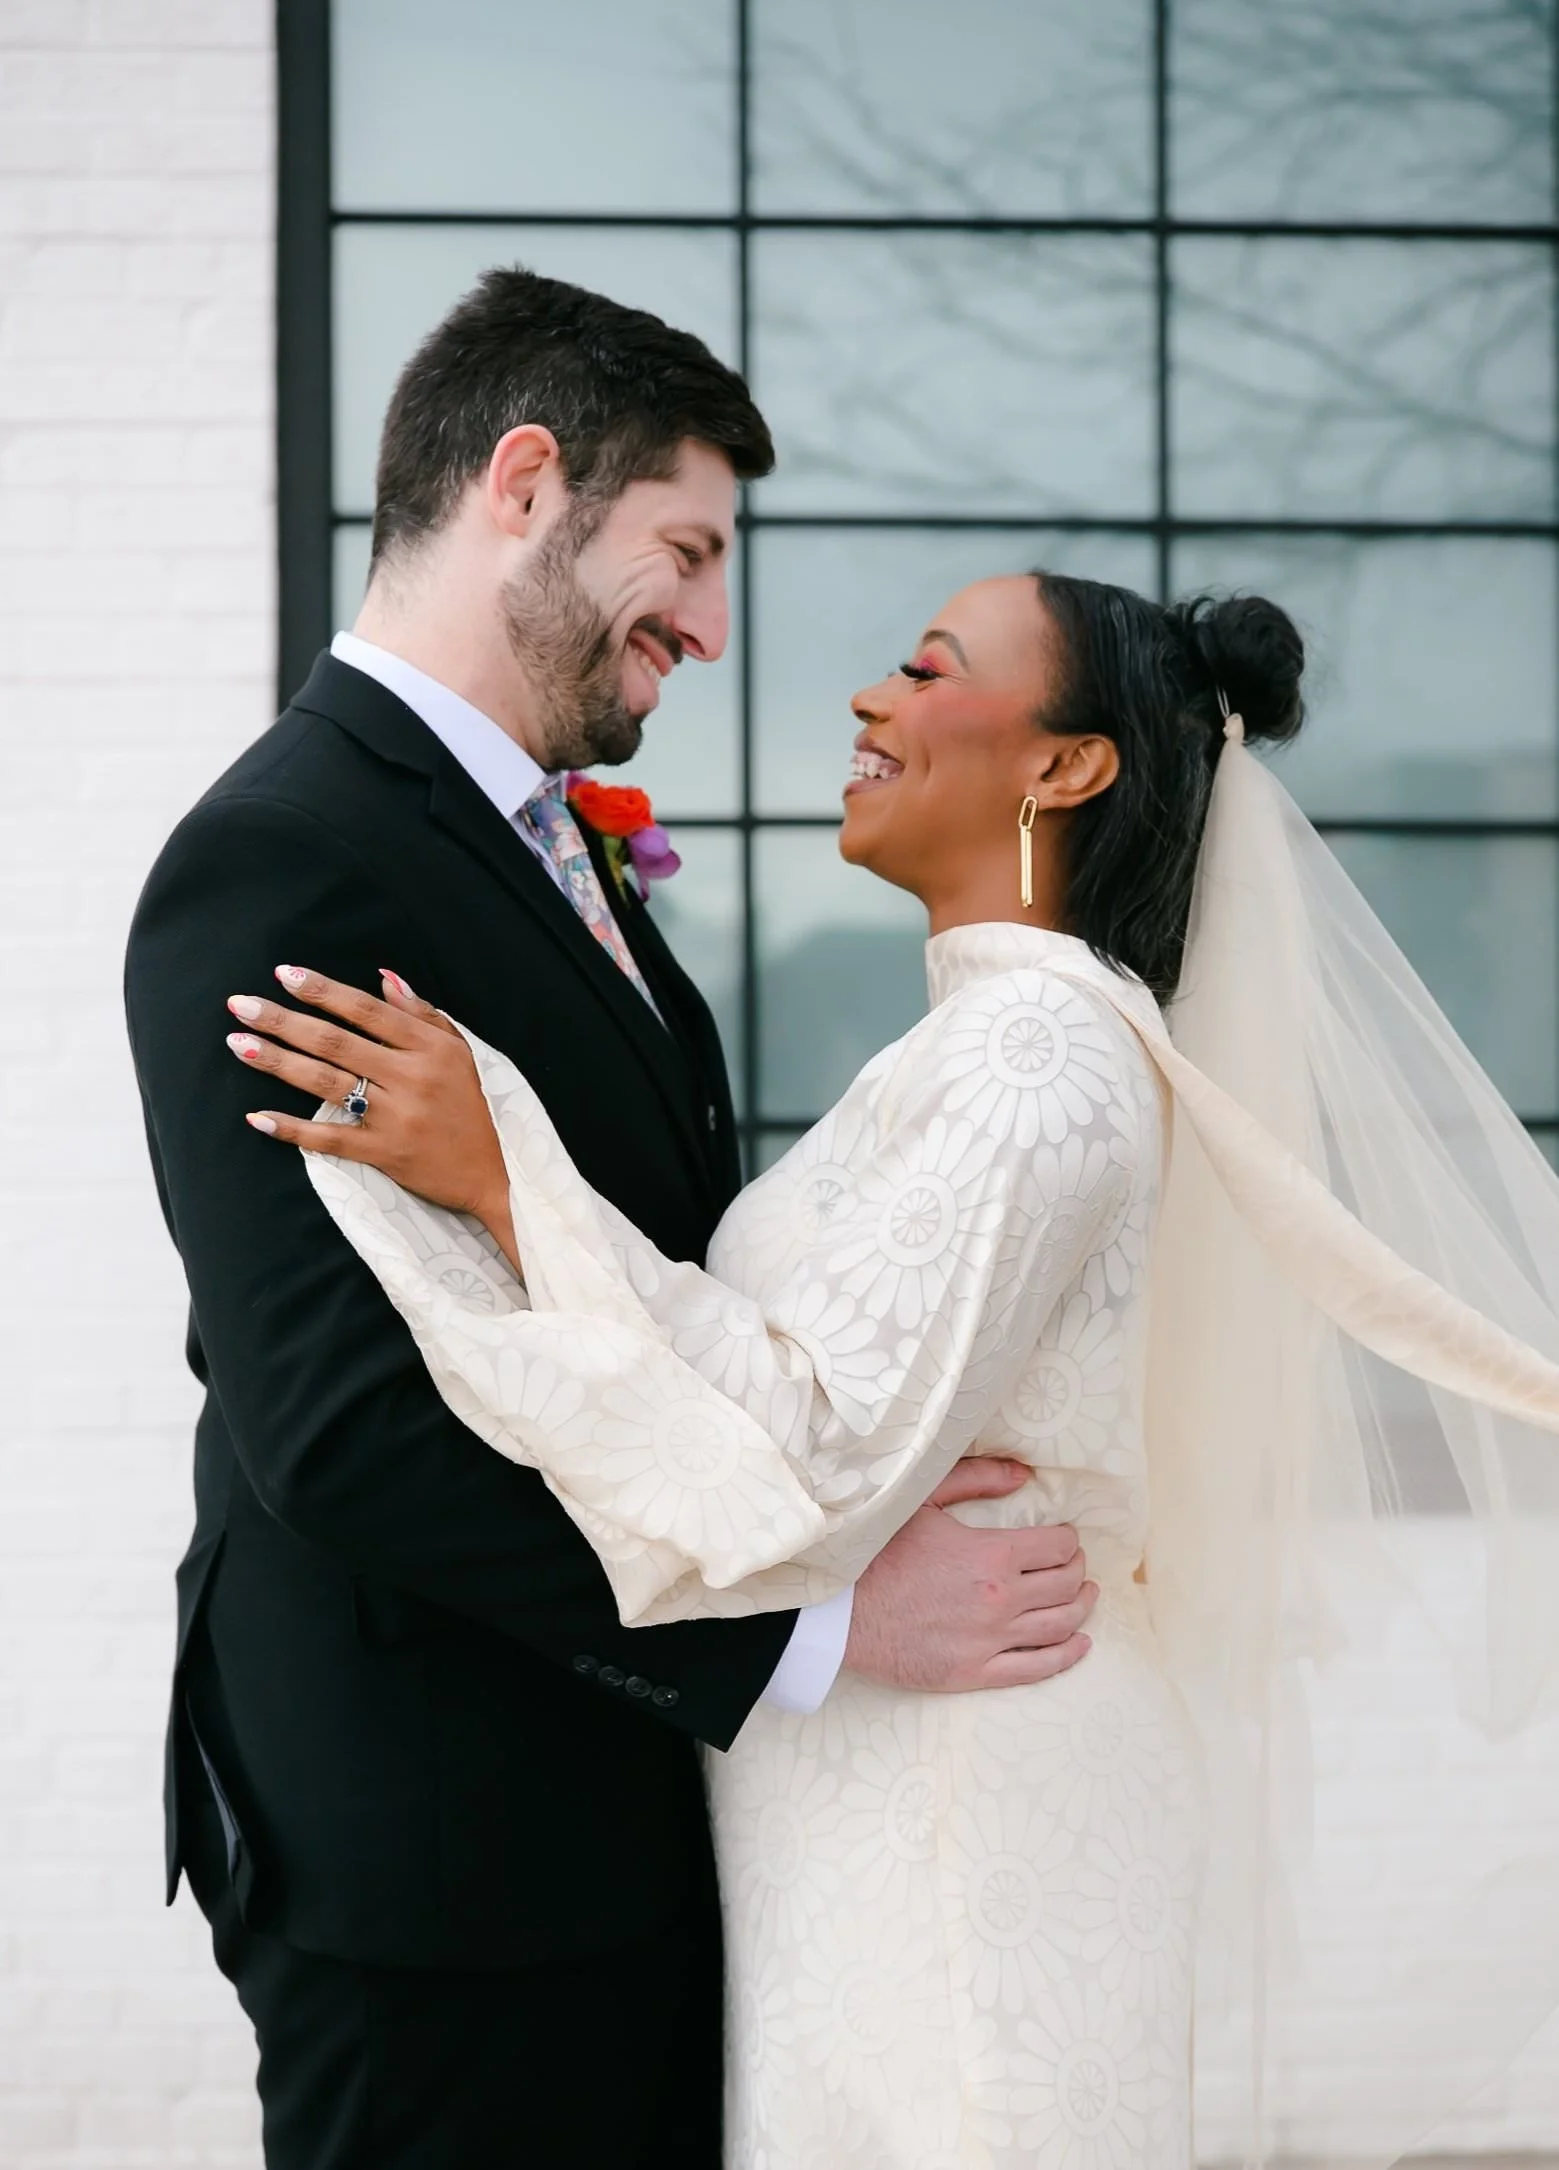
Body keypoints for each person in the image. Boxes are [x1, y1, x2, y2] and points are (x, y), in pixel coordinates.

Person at [237, 566, 1559, 2168]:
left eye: (928, 667)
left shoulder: (1036, 1054)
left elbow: (809, 1435)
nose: (869, 698)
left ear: (1065, 767)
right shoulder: (963, 1044)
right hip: (885, 1795)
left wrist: (509, 1180)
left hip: (967, 1814)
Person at [123, 270, 1100, 2170]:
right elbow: (338, 1428)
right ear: (520, 481)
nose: (715, 627)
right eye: (685, 550)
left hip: (612, 1815)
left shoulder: (557, 846)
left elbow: (642, 1282)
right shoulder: (283, 858)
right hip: (436, 1843)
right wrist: (810, 1632)